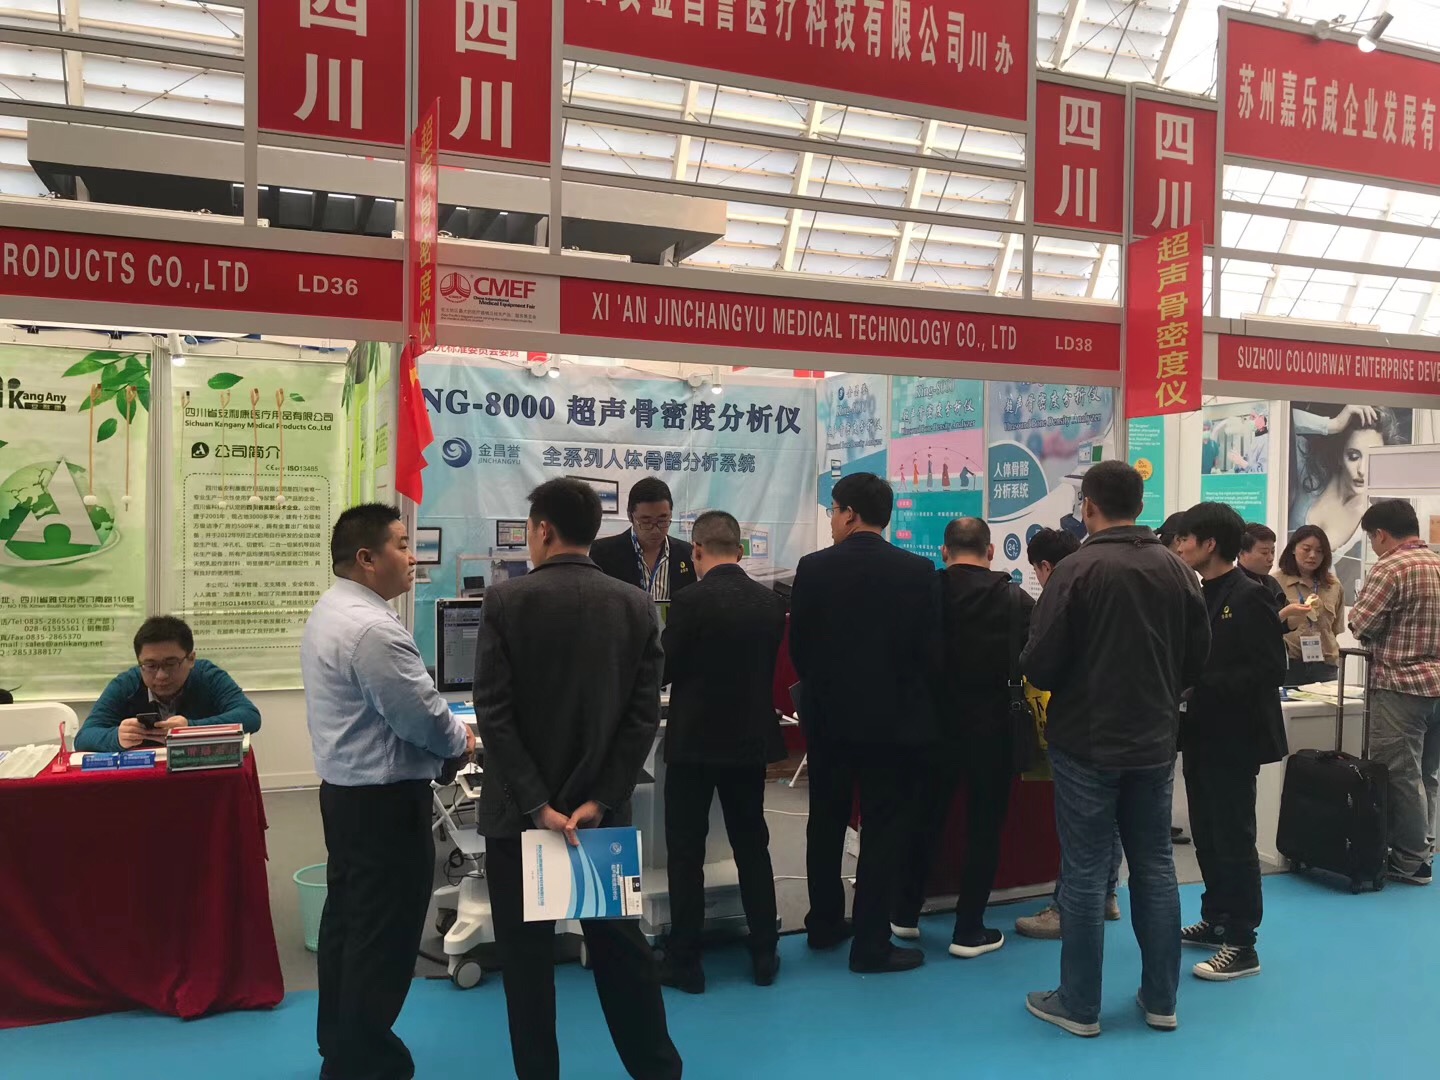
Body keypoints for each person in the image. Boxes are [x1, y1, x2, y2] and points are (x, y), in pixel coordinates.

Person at [472, 478, 682, 1080]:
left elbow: (494, 713)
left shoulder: (505, 602)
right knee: (622, 954)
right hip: (599, 821)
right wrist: (601, 797)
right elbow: (642, 717)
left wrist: (537, 803)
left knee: (527, 967)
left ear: (542, 530)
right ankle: (659, 1071)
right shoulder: (635, 604)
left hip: (520, 819)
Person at [1020, 461, 1209, 1038]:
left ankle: (1079, 1004)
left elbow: (1040, 663)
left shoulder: (1076, 570)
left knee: (1083, 872)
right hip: (1154, 739)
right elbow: (1198, 658)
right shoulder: (1177, 571)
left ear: (1088, 507)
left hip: (1086, 741)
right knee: (1155, 866)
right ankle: (1161, 999)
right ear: (1141, 504)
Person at [300, 504, 473, 1080]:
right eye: (401, 544)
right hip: (384, 806)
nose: (412, 556)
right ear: (366, 558)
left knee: (349, 924)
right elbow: (420, 716)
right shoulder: (372, 630)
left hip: (347, 797)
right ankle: (364, 1061)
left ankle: (341, 1043)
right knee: (384, 937)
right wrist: (462, 741)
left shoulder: (333, 609)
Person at [790, 472, 942, 974]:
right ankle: (872, 943)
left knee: (825, 822)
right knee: (881, 830)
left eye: (834, 510)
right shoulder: (918, 572)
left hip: (829, 719)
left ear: (850, 513)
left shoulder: (813, 568)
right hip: (893, 725)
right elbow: (929, 654)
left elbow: (800, 648)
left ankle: (823, 923)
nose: (832, 520)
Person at [658, 510, 786, 994]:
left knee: (685, 850)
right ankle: (765, 951)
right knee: (752, 844)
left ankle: (685, 960)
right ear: (741, 549)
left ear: (696, 551)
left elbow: (665, 669)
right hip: (749, 741)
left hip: (694, 743)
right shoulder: (769, 603)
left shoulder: (689, 601)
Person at [891, 518, 1030, 960]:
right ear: (990, 552)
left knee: (922, 819)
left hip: (930, 726)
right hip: (994, 728)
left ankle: (905, 913)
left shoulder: (925, 592)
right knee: (984, 828)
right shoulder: (1016, 599)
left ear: (945, 551)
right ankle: (969, 929)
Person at [1172, 503, 1287, 982]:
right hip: (1200, 732)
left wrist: (1201, 686)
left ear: (1209, 543)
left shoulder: (1250, 595)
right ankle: (1216, 916)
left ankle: (1242, 942)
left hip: (1235, 736)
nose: (1179, 547)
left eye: (1185, 539)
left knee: (1234, 836)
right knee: (1206, 832)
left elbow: (1270, 668)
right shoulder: (1200, 593)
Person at [1014, 528, 1124, 941]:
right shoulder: (1114, 582)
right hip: (1131, 723)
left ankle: (1068, 908)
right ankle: (1107, 895)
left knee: (1080, 827)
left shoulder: (1062, 593)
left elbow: (1040, 663)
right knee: (1119, 823)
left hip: (1081, 723)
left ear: (1045, 566)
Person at [1349, 499, 1440, 887]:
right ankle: (1424, 847)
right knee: (1426, 774)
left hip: (1400, 685)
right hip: (1437, 686)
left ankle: (1410, 860)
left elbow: (1360, 624)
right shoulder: (1437, 563)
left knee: (1399, 775)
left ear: (1381, 534)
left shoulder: (1390, 568)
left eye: (1372, 539)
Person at [75, 616, 260, 752]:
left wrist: (190, 728)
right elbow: (84, 737)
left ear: (191, 659)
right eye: (150, 665)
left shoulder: (207, 675)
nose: (161, 675)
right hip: (143, 780)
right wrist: (116, 737)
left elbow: (250, 716)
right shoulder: (127, 684)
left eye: (171, 664)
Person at [1290, 404, 1402, 566]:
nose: (1362, 470)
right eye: (1353, 456)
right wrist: (1332, 425)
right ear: (1339, 455)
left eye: (1373, 458)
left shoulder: (1370, 521)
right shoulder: (1309, 471)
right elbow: (1275, 419)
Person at [590, 477, 698, 600]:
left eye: (662, 520)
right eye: (646, 522)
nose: (655, 530)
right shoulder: (603, 552)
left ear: (671, 514)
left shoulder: (686, 553)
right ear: (630, 516)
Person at [1273, 525, 1346, 686]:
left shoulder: (1333, 585)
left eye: (1319, 551)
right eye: (1306, 549)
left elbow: (1335, 628)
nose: (1313, 555)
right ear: (1293, 549)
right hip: (1289, 664)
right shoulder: (1275, 582)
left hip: (1325, 665)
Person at [1238, 523, 1287, 612]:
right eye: (1264, 553)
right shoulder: (1234, 585)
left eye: (1272, 552)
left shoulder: (1272, 582)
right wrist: (1284, 614)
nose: (1271, 558)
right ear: (1242, 553)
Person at [1228, 407, 1270, 474]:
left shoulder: (1267, 441)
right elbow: (1247, 462)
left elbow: (1262, 472)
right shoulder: (1256, 440)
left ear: (1262, 418)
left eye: (1253, 417)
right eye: (1250, 417)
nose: (1250, 420)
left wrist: (1241, 462)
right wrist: (1238, 462)